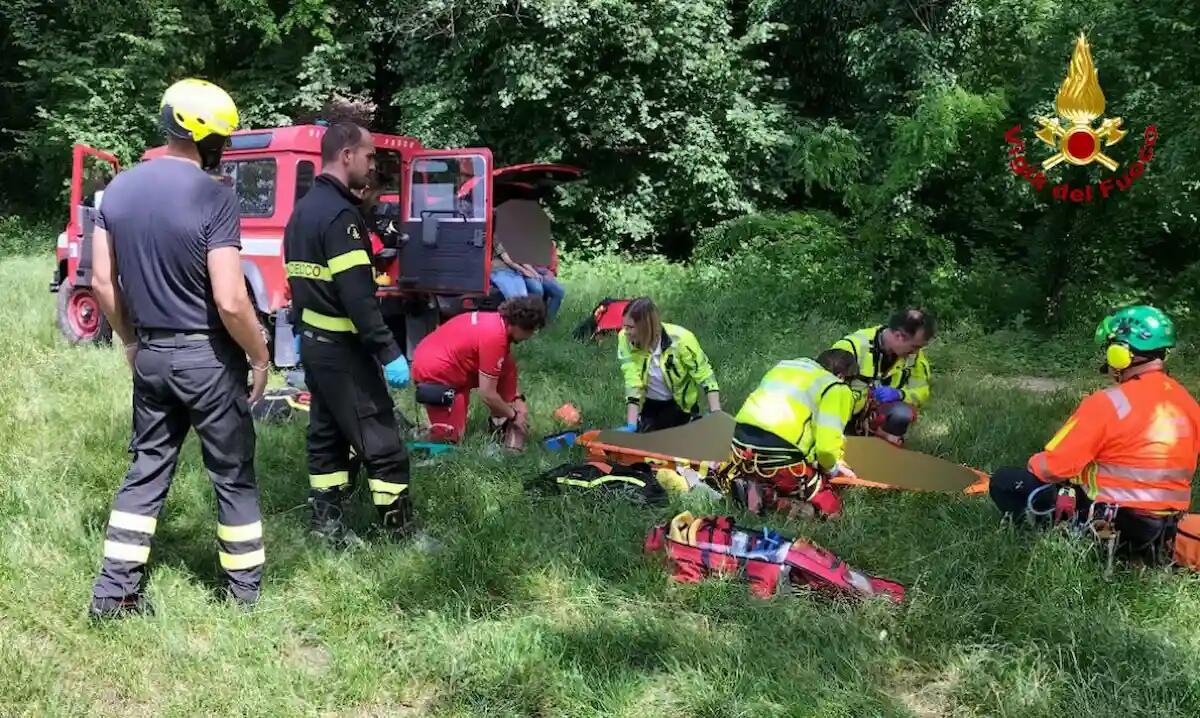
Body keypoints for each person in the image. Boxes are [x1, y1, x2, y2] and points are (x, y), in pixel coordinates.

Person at [87, 79, 269, 618]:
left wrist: (131, 340)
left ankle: (113, 595)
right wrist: (260, 357)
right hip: (208, 360)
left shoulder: (116, 191)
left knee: (146, 470)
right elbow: (232, 300)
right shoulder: (215, 195)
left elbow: (102, 283)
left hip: (152, 358)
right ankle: (244, 597)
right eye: (223, 138)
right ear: (206, 137)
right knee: (232, 473)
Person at [284, 122, 414, 548]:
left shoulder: (302, 210)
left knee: (326, 435)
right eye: (370, 156)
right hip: (343, 351)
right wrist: (389, 350)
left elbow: (300, 282)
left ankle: (328, 528)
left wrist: (304, 330)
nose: (372, 165)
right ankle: (401, 533)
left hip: (315, 348)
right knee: (382, 440)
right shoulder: (342, 216)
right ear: (346, 155)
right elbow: (358, 297)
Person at [990, 305, 1200, 565]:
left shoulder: (1108, 402)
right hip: (1164, 528)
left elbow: (1055, 467)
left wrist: (1034, 465)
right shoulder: (1188, 403)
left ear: (1120, 354)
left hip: (1113, 525)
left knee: (1004, 481)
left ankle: (1058, 541)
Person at [721, 349, 859, 519]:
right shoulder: (835, 387)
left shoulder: (785, 367)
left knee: (767, 471)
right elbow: (825, 449)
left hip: (738, 446)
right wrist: (833, 470)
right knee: (830, 503)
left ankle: (753, 487)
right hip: (779, 459)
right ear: (841, 376)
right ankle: (772, 500)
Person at [410, 297, 546, 444]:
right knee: (449, 440)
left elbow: (504, 373)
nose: (531, 336)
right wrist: (514, 415)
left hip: (449, 364)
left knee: (507, 366)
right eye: (531, 330)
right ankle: (422, 433)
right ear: (520, 326)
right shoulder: (495, 338)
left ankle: (500, 420)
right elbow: (487, 394)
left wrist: (517, 401)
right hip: (435, 371)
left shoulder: (496, 321)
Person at [617, 297, 720, 432]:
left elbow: (705, 376)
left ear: (646, 327)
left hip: (682, 408)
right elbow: (632, 382)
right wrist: (631, 425)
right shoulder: (624, 339)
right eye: (624, 326)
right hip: (651, 406)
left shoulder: (682, 339)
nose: (626, 332)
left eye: (630, 327)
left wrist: (716, 414)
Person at [832, 309, 934, 445]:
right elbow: (824, 388)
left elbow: (922, 392)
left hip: (875, 417)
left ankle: (883, 450)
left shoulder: (914, 358)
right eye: (914, 346)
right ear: (899, 336)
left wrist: (900, 394)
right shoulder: (852, 347)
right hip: (842, 414)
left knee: (902, 413)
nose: (916, 352)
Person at [520, 241, 566, 323]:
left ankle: (546, 323)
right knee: (537, 289)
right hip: (527, 271)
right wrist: (534, 274)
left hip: (544, 273)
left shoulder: (549, 243)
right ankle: (532, 322)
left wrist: (549, 275)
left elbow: (553, 266)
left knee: (559, 291)